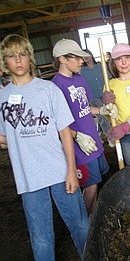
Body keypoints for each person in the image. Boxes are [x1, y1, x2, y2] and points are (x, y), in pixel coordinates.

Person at [0, 34, 89, 259]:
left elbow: (65, 133)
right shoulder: (2, 97)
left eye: (22, 55)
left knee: (80, 226)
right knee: (40, 237)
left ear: (30, 58)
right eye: (11, 56)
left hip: (60, 172)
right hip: (28, 178)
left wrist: (71, 170)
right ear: (4, 62)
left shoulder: (48, 90)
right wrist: (21, 140)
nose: (18, 60)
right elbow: (3, 136)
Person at [52, 38, 117, 216]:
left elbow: (85, 107)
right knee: (90, 187)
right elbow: (57, 123)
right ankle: (85, 223)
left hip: (92, 140)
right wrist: (76, 136)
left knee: (95, 186)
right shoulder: (56, 86)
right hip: (79, 146)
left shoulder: (79, 78)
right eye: (77, 57)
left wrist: (102, 110)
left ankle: (92, 219)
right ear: (62, 59)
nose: (82, 61)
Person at [80, 49, 113, 147]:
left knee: (103, 117)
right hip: (92, 97)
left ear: (91, 55)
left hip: (104, 94)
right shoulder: (82, 71)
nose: (86, 58)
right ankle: (110, 137)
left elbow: (109, 78)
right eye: (84, 57)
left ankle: (98, 135)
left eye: (87, 55)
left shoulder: (100, 66)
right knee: (102, 116)